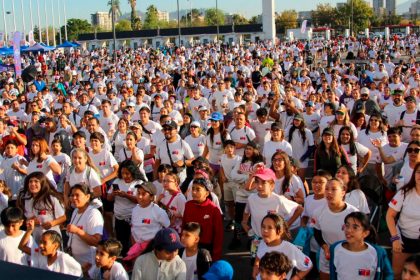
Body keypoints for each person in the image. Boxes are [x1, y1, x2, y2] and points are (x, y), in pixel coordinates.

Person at [242, 166, 303, 258]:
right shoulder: (251, 198)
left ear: (272, 185)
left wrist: (286, 226)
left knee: (273, 268)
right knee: (257, 266)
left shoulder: (278, 199)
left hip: (275, 243)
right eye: (257, 182)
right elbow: (247, 211)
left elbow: (299, 209)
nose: (259, 186)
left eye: (263, 183)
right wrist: (244, 223)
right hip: (257, 241)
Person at [313, 178, 358, 280]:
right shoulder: (318, 212)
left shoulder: (353, 213)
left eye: (333, 189)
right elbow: (317, 231)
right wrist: (325, 247)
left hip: (349, 254)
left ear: (343, 192)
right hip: (327, 254)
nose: (329, 192)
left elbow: (359, 237)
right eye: (327, 189)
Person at [329, 212, 393, 280]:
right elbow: (333, 274)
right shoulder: (335, 248)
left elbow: (389, 275)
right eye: (347, 225)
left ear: (365, 233)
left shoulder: (378, 252)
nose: (349, 230)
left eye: (355, 227)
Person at [252, 213, 312, 280]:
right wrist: (255, 266)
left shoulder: (290, 248)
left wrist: (297, 277)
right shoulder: (262, 243)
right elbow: (258, 255)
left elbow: (308, 264)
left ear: (280, 231)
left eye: (270, 227)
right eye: (263, 226)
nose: (265, 230)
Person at [386, 162, 420, 279]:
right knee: (397, 273)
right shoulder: (404, 192)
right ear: (414, 174)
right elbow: (389, 216)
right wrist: (395, 239)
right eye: (418, 172)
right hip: (403, 239)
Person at [107, 160, 145, 257]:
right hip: (119, 217)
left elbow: (140, 200)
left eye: (127, 173)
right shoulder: (117, 181)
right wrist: (113, 194)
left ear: (133, 172)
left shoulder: (139, 183)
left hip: (133, 218)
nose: (125, 176)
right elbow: (108, 198)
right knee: (121, 241)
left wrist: (125, 195)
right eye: (123, 173)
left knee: (132, 243)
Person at [125, 182, 170, 262]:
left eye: (143, 194)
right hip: (136, 248)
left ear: (152, 197)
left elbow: (168, 227)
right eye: (138, 193)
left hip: (151, 250)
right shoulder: (135, 210)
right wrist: (135, 245)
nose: (139, 196)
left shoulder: (158, 211)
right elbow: (133, 228)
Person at [17, 172, 66, 243]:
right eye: (30, 181)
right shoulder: (27, 199)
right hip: (36, 236)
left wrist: (52, 223)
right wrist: (30, 221)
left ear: (42, 184)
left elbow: (63, 217)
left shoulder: (51, 198)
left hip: (52, 237)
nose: (33, 184)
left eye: (36, 181)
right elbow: (28, 218)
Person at [18, 223, 82, 277]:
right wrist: (29, 230)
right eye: (40, 242)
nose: (41, 245)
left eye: (44, 243)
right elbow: (21, 247)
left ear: (55, 245)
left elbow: (78, 272)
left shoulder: (64, 258)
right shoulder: (38, 253)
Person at [183, 178, 224, 261]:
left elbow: (218, 235)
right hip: (189, 247)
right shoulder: (188, 205)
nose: (194, 192)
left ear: (207, 193)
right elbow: (184, 226)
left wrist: (216, 256)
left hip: (206, 249)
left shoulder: (213, 209)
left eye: (198, 189)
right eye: (193, 189)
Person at [66, 183, 104, 265]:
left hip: (87, 264)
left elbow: (96, 241)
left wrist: (77, 231)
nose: (74, 198)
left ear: (87, 197)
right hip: (74, 262)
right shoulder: (76, 211)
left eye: (77, 195)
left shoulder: (93, 213)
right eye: (72, 195)